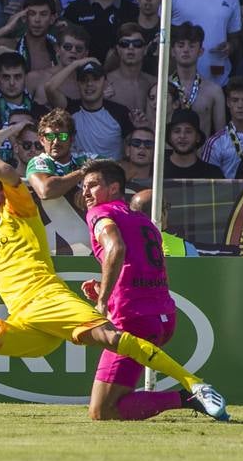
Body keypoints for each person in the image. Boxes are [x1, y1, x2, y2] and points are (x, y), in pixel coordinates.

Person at [0, 132, 230, 421]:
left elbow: (11, 175)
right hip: (25, 321)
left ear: (0, 197)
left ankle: (195, 384)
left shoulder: (19, 212)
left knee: (111, 339)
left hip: (49, 301)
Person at [78, 160, 210, 420]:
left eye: (92, 185)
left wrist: (103, 300)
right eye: (83, 186)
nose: (85, 192)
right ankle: (190, 396)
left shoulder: (99, 213)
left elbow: (116, 249)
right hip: (162, 317)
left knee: (102, 411)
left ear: (114, 187)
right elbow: (141, 266)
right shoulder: (144, 222)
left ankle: (190, 397)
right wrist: (104, 287)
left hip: (132, 319)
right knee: (109, 405)